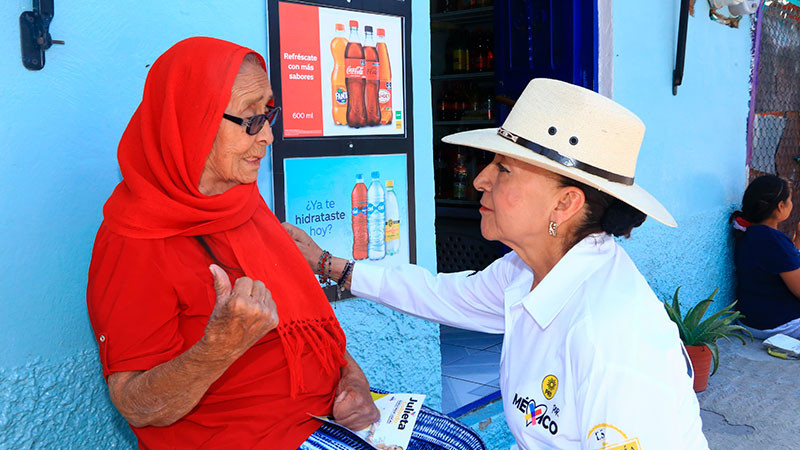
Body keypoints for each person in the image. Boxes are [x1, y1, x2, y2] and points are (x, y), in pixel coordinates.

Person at [86, 37, 484, 450]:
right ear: (192, 121)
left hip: (321, 412)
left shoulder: (244, 206)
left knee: (465, 442)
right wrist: (218, 347)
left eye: (268, 113)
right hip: (247, 436)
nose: (268, 137)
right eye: (250, 119)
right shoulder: (134, 240)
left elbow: (316, 331)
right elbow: (136, 405)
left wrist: (354, 382)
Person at [285, 79, 710, 449]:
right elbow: (442, 296)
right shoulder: (528, 270)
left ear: (564, 203)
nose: (480, 179)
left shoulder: (611, 337)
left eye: (503, 169)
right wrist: (328, 263)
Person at [730, 175, 800, 339]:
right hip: (777, 324)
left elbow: (786, 263)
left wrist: (798, 239)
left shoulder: (747, 232)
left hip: (750, 321)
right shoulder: (773, 240)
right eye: (790, 201)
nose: (792, 205)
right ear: (781, 206)